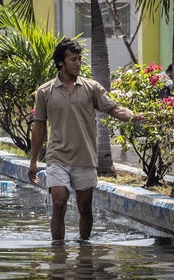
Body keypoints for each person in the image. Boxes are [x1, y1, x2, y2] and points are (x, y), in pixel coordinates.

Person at [27, 38, 136, 241]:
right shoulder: (45, 91)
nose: (78, 63)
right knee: (59, 202)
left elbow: (115, 109)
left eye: (79, 59)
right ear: (61, 62)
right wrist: (33, 161)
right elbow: (39, 126)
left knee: (85, 209)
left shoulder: (91, 87)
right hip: (57, 157)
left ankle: (83, 248)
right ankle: (58, 254)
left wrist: (137, 116)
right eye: (73, 59)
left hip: (85, 157)